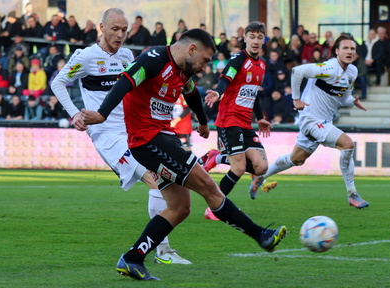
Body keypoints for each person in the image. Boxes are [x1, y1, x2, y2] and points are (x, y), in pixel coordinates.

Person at [81, 27, 286, 281]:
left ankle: (132, 258)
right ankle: (261, 236)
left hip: (162, 140)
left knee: (180, 208)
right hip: (149, 141)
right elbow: (126, 81)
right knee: (209, 187)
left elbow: (191, 94)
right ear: (191, 49)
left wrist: (202, 121)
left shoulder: (182, 72)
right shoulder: (154, 59)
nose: (204, 67)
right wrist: (101, 113)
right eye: (205, 60)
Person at [51, 8, 193, 267]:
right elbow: (58, 83)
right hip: (107, 136)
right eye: (114, 29)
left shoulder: (127, 56)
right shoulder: (86, 58)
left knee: (163, 179)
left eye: (124, 30)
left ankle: (161, 250)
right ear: (102, 27)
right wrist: (74, 114)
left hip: (132, 131)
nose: (119, 35)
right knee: (155, 179)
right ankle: (161, 250)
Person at [248, 34, 370, 209]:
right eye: (345, 48)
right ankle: (352, 194)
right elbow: (298, 71)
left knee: (296, 159)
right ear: (336, 51)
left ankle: (259, 177)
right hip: (311, 120)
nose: (349, 51)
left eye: (352, 49)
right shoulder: (328, 67)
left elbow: (343, 97)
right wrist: (296, 99)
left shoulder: (352, 71)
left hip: (323, 122)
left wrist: (353, 101)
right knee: (348, 144)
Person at [203, 22, 277, 204]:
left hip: (246, 123)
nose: (256, 41)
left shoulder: (262, 65)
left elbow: (254, 92)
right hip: (229, 120)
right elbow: (225, 80)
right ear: (245, 39)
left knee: (261, 167)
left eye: (260, 37)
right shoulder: (237, 60)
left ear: (264, 40)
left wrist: (260, 118)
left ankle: (218, 157)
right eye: (252, 37)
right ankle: (215, 207)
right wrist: (218, 93)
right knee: (239, 167)